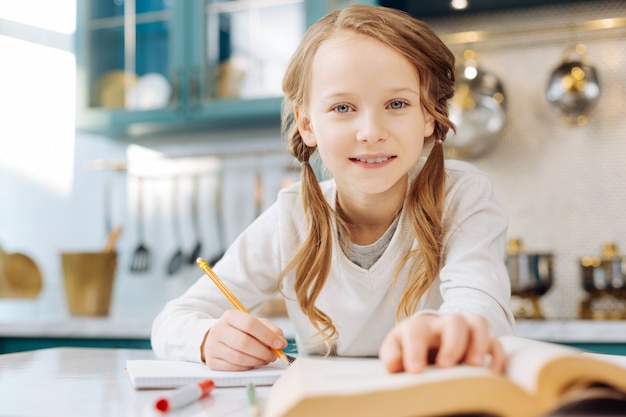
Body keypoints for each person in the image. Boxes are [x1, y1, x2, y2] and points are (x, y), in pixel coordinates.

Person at [151, 4, 514, 375]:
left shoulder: (460, 195)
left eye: (397, 103)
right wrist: (208, 337)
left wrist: (451, 328)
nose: (371, 131)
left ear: (428, 115)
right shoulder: (291, 217)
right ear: (308, 125)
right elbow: (172, 321)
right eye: (343, 107)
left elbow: (482, 305)